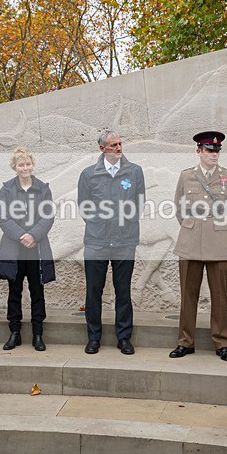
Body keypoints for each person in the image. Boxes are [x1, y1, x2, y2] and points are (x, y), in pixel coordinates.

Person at [169, 131, 227, 362]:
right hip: (190, 241)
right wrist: (193, 227)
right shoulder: (186, 176)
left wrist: (219, 229)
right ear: (198, 151)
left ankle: (222, 343)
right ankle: (185, 341)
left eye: (217, 150)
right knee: (188, 295)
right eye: (209, 150)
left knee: (219, 296)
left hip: (219, 242)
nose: (214, 154)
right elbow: (179, 208)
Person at [77, 130, 146, 355]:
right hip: (96, 242)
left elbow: (139, 204)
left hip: (125, 242)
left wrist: (124, 224)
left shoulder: (134, 172)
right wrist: (101, 224)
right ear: (102, 149)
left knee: (123, 291)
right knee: (93, 292)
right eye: (113, 145)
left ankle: (124, 338)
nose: (118, 148)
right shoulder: (89, 174)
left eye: (120, 144)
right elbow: (84, 207)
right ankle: (93, 338)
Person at [0, 148, 56, 351]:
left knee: (37, 291)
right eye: (21, 165)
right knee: (15, 291)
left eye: (28, 164)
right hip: (15, 248)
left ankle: (38, 333)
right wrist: (22, 235)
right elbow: (3, 217)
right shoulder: (7, 189)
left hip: (36, 248)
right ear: (15, 167)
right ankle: (15, 332)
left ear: (32, 165)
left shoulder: (43, 189)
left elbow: (48, 216)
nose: (25, 168)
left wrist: (33, 235)